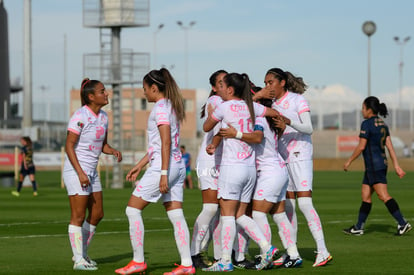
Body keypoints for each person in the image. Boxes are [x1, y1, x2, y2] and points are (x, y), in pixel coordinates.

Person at [115, 68, 195, 275]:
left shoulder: (160, 108)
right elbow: (159, 144)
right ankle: (187, 265)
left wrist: (162, 173)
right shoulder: (171, 106)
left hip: (165, 166)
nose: (144, 93)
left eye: (144, 89)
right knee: (176, 214)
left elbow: (165, 142)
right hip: (177, 165)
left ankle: (138, 261)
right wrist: (141, 164)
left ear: (154, 88)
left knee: (132, 209)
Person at [253, 68, 332, 267]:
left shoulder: (297, 100)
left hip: (300, 156)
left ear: (282, 82)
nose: (267, 86)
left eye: (270, 82)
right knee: (288, 208)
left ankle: (322, 250)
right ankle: (292, 252)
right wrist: (280, 128)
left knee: (305, 204)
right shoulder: (271, 105)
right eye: (265, 82)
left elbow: (309, 128)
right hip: (282, 159)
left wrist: (289, 121)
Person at [202, 73, 279, 272]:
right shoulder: (252, 107)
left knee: (227, 215)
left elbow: (206, 126)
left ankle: (225, 261)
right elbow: (271, 113)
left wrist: (219, 120)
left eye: (223, 86)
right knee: (240, 214)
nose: (220, 90)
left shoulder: (224, 106)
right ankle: (266, 247)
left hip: (231, 168)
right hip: (250, 169)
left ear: (229, 90)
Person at [220, 86, 303, 269]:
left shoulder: (258, 118)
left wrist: (236, 134)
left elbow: (257, 137)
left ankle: (266, 255)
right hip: (279, 170)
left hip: (269, 172)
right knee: (279, 215)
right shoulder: (269, 118)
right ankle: (294, 254)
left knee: (258, 214)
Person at [63, 78, 122, 271]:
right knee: (78, 216)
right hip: (76, 171)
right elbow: (69, 146)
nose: (106, 94)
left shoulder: (104, 117)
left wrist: (112, 150)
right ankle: (79, 259)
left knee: (97, 214)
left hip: (91, 173)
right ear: (90, 96)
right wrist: (80, 172)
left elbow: (102, 144)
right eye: (102, 91)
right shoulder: (80, 116)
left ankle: (82, 254)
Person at [343, 96, 411, 236]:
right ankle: (359, 227)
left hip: (374, 166)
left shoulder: (366, 124)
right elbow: (390, 148)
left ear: (369, 109)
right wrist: (396, 166)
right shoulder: (383, 124)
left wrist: (349, 161)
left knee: (383, 195)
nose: (362, 111)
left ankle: (403, 223)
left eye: (363, 108)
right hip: (380, 165)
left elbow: (361, 147)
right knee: (366, 196)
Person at [191, 70, 227, 268]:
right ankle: (193, 252)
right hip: (209, 160)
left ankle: (217, 255)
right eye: (220, 82)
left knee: (222, 211)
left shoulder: (228, 103)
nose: (224, 85)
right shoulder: (216, 101)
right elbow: (218, 129)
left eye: (227, 82)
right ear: (214, 87)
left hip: (224, 162)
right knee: (211, 207)